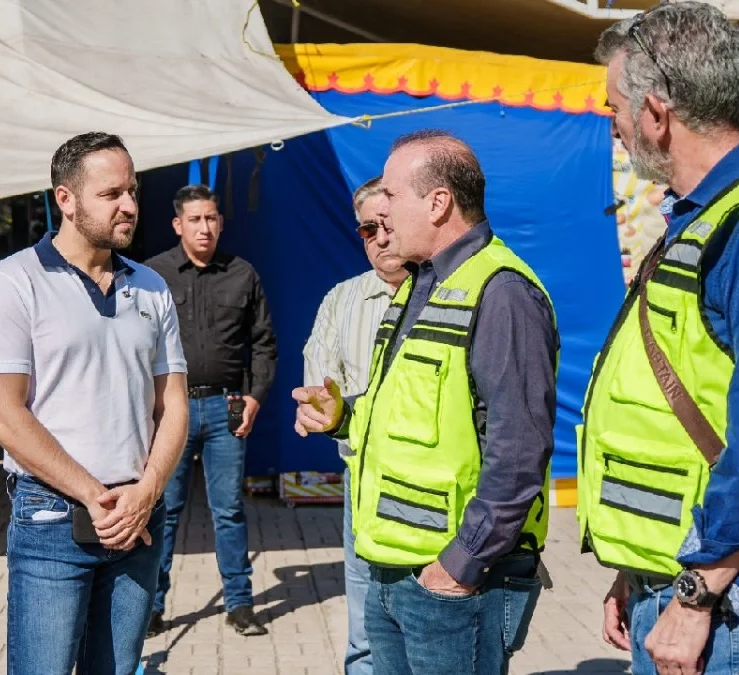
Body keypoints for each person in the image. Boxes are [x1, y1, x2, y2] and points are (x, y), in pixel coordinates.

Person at [293, 130, 558, 675]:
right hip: (392, 570)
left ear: (438, 203)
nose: (380, 214)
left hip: (452, 587)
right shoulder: (419, 286)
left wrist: (457, 567)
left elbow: (519, 450)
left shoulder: (502, 292)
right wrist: (341, 417)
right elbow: (410, 415)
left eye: (390, 196)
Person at [581, 4, 739, 674]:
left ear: (657, 113)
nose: (614, 125)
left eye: (616, 107)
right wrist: (634, 571)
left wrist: (695, 595)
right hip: (671, 581)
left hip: (717, 604)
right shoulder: (704, 214)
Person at [0, 132, 189, 674]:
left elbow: (174, 405)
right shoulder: (15, 282)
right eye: (111, 193)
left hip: (138, 516)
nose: (130, 205)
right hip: (51, 514)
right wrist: (95, 495)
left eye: (133, 191)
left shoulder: (152, 287)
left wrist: (147, 491)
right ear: (65, 200)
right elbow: (2, 413)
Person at [145, 184, 278, 637]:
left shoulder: (243, 274)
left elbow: (263, 344)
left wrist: (256, 396)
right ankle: (152, 606)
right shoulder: (152, 275)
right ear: (178, 225)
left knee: (229, 512)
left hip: (226, 410)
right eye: (195, 220)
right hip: (172, 412)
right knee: (164, 511)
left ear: (220, 222)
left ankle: (240, 605)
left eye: (212, 218)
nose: (205, 227)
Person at [302, 176, 407, 674]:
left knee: (428, 625)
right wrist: (328, 411)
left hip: (440, 488)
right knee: (366, 623)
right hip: (363, 482)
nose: (381, 238)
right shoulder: (341, 301)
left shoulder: (449, 294)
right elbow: (322, 390)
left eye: (389, 224)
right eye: (369, 229)